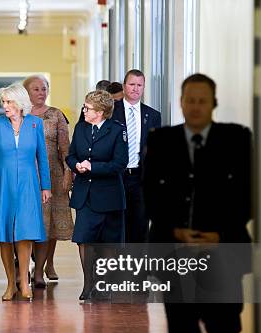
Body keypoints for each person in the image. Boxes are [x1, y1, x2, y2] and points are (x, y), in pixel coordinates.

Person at [144, 73, 252, 333]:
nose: (195, 106)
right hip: (175, 251)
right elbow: (150, 193)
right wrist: (175, 230)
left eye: (202, 100)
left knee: (225, 329)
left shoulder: (236, 139)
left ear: (213, 103)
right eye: (189, 99)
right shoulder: (162, 140)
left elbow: (249, 192)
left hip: (224, 250)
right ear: (181, 102)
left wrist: (220, 232)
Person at [0, 83, 52, 301]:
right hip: (1, 183)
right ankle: (11, 284)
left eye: (9, 102)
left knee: (25, 233)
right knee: (5, 235)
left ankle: (25, 283)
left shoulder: (35, 124)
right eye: (3, 102)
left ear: (20, 103)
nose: (5, 106)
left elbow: (42, 158)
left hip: (29, 184)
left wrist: (45, 186)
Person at [66, 90, 128, 301]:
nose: (84, 111)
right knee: (84, 240)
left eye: (88, 108)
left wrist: (93, 166)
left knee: (109, 243)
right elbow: (71, 154)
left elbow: (119, 164)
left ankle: (105, 284)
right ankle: (88, 283)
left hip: (109, 196)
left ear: (101, 112)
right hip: (85, 195)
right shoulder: (81, 127)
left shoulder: (116, 131)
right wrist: (75, 165)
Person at [23, 74, 73, 287]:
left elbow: (65, 147)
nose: (41, 93)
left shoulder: (55, 115)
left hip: (52, 175)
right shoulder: (20, 114)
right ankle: (25, 266)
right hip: (25, 175)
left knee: (47, 224)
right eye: (36, 89)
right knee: (27, 223)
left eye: (44, 89)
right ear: (26, 93)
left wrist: (69, 172)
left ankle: (42, 269)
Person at [110, 69, 161, 244]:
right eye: (132, 84)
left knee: (139, 225)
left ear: (144, 87)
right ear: (124, 86)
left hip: (140, 177)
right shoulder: (111, 111)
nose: (135, 89)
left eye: (139, 85)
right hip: (116, 176)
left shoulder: (153, 115)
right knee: (116, 223)